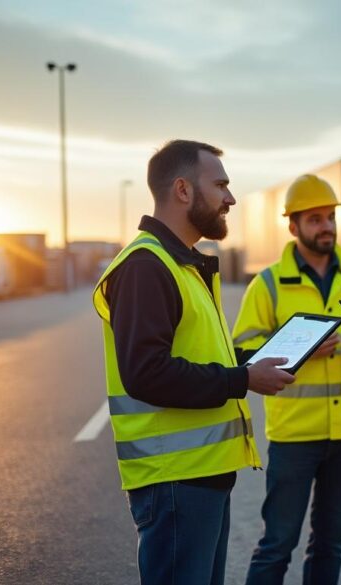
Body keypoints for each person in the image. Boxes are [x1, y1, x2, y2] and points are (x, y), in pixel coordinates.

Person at [92, 139, 295, 585]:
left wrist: (256, 363)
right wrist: (243, 379)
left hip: (197, 478)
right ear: (183, 190)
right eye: (220, 184)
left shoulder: (181, 264)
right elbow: (147, 373)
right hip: (174, 482)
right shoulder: (147, 266)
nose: (230, 198)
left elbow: (200, 356)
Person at [232, 174, 341, 585]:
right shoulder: (268, 283)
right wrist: (297, 351)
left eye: (330, 217)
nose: (326, 226)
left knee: (330, 543)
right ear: (293, 226)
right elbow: (244, 349)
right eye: (315, 219)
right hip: (294, 436)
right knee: (278, 543)